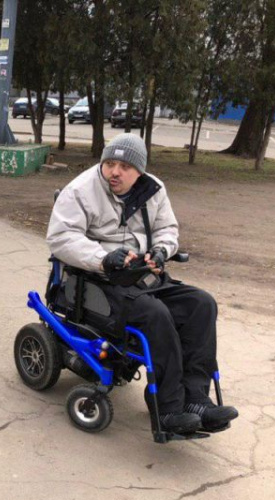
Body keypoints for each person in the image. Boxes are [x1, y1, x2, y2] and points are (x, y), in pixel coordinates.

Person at [46, 133, 238, 434]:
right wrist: (104, 257)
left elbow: (167, 229)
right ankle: (169, 410)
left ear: (140, 171)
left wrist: (162, 250)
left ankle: (196, 401)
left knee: (201, 304)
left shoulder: (154, 190)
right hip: (98, 281)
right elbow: (60, 239)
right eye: (109, 164)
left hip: (146, 277)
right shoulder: (81, 190)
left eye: (124, 167)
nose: (115, 172)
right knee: (155, 316)